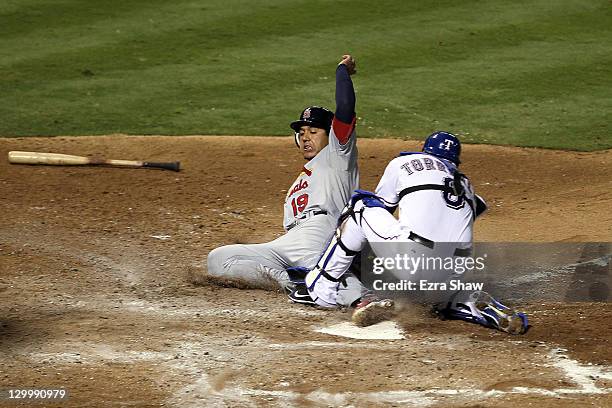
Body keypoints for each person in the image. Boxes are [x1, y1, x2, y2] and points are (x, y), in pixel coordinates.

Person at [291, 131, 529, 334]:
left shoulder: (405, 163)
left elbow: (382, 206)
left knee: (359, 207)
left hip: (412, 261)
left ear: (426, 150)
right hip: (453, 271)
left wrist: (362, 262)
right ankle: (460, 301)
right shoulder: (467, 186)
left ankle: (319, 288)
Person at [205, 55, 367, 305]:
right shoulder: (297, 183)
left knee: (326, 270)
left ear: (331, 136)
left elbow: (345, 108)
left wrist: (341, 72)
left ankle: (364, 300)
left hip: (321, 233)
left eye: (314, 132)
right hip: (287, 244)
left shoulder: (338, 156)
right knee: (219, 259)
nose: (306, 138)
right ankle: (293, 283)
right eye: (301, 133)